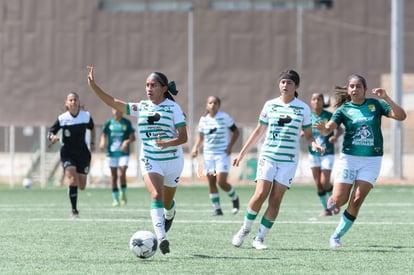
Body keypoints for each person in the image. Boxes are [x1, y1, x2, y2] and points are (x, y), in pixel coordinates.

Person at [87, 66, 187, 255]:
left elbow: (183, 137)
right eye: (147, 85)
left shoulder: (174, 108)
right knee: (156, 195)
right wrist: (94, 87)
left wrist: (167, 142)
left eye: (154, 85)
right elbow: (114, 102)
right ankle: (162, 237)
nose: (149, 89)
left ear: (164, 88)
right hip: (150, 158)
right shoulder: (141, 107)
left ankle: (170, 212)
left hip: (173, 161)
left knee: (167, 202)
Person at [231, 69, 324, 250]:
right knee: (260, 194)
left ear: (296, 86)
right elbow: (259, 131)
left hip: (288, 160)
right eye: (282, 82)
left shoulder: (304, 108)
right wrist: (242, 153)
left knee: (275, 200)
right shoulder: (270, 105)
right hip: (268, 156)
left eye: (289, 83)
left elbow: (309, 136)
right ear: (279, 84)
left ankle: (259, 238)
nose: (285, 85)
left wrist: (315, 145)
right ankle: (244, 229)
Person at [314, 74, 406, 248]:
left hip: (372, 160)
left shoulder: (376, 105)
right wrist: (323, 129)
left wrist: (386, 97)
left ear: (364, 89)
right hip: (349, 159)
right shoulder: (343, 110)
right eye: (352, 86)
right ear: (348, 90)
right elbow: (328, 130)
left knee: (356, 200)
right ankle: (333, 199)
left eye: (358, 86)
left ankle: (336, 236)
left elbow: (401, 116)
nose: (355, 89)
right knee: (340, 200)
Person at [48, 92, 96, 219]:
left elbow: (92, 128)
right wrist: (52, 137)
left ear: (78, 102)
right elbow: (51, 132)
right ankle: (74, 211)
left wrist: (92, 142)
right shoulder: (62, 118)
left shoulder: (86, 116)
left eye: (75, 100)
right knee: (72, 179)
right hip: (68, 153)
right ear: (67, 103)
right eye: (71, 100)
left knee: (82, 186)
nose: (73, 102)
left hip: (83, 154)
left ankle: (72, 188)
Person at [191, 96, 240, 216]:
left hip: (222, 154)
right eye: (210, 103)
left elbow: (236, 132)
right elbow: (201, 137)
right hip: (208, 155)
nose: (212, 105)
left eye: (215, 103)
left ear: (218, 105)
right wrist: (195, 148)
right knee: (211, 182)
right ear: (206, 105)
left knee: (221, 181)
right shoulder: (203, 120)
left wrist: (230, 146)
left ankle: (235, 198)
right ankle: (217, 209)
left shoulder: (224, 118)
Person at [308, 93, 343, 216]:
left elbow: (340, 129)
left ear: (323, 102)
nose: (316, 101)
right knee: (318, 184)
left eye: (319, 99)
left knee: (325, 182)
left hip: (327, 152)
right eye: (314, 99)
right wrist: (303, 133)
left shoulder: (329, 115)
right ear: (311, 102)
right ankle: (327, 209)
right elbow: (304, 130)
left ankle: (335, 202)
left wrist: (335, 136)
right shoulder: (308, 116)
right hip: (313, 153)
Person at [100, 108, 136, 207]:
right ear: (112, 111)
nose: (117, 111)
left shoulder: (127, 123)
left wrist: (126, 142)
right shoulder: (109, 122)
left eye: (118, 109)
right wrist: (102, 141)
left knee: (122, 173)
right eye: (114, 109)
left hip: (123, 153)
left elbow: (133, 137)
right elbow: (104, 134)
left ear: (122, 111)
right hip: (112, 153)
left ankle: (123, 193)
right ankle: (115, 199)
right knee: (114, 176)